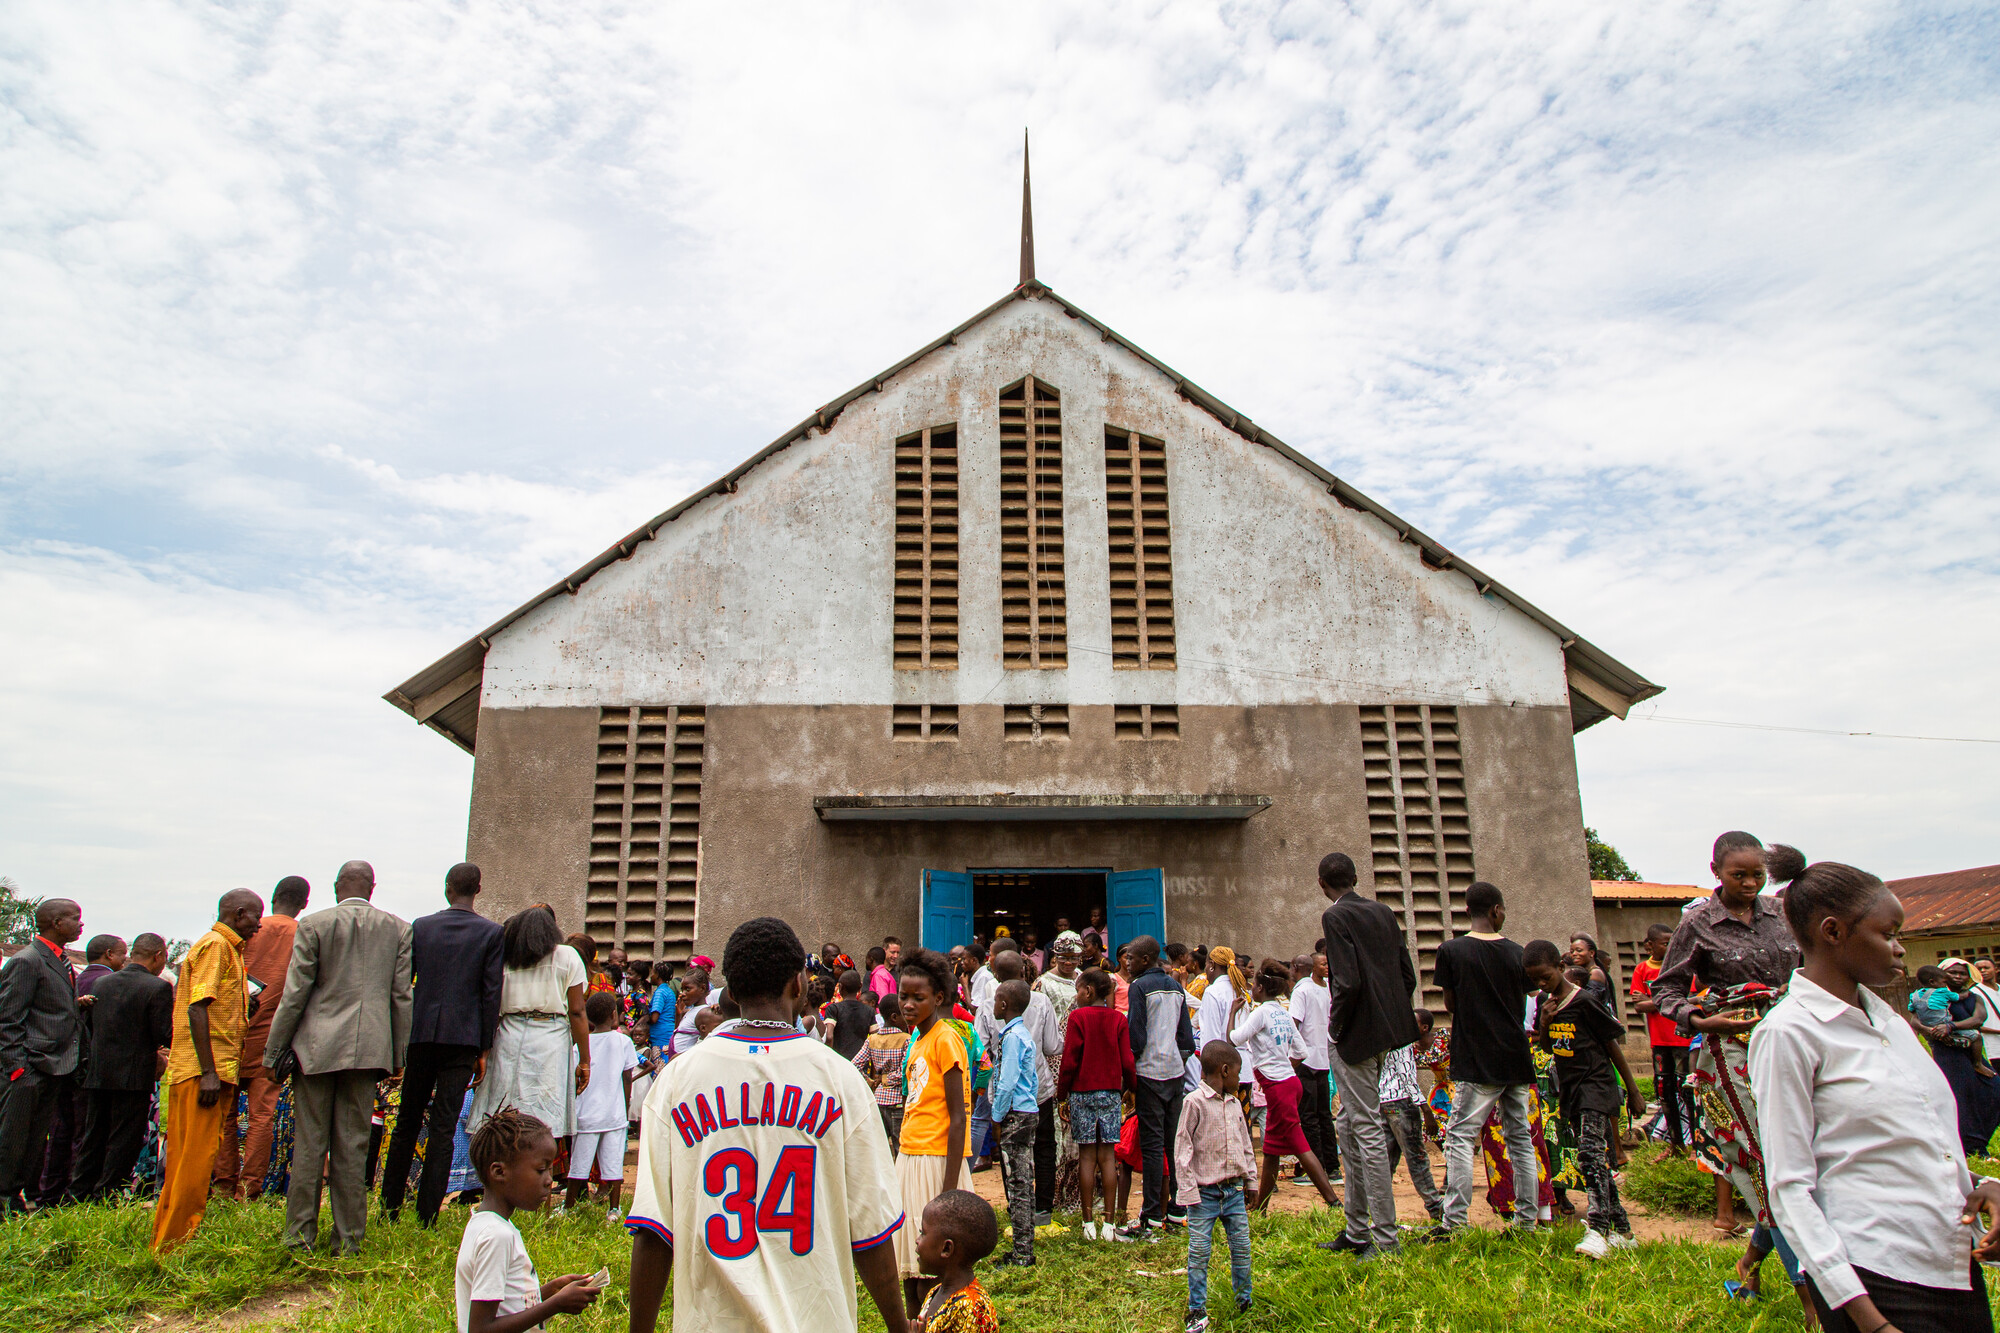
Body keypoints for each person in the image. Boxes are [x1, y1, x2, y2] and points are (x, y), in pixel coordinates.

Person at [624, 916, 909, 1333]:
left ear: (730, 992)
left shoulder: (676, 1081)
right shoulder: (840, 1079)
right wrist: (899, 1328)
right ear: (798, 983)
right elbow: (871, 1231)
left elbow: (652, 1232)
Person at [1751, 860, 2000, 1333]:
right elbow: (1789, 1189)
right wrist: (1867, 1319)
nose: (1901, 948)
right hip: (1876, 1280)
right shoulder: (1789, 1033)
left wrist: (1980, 1185)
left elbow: (1900, 1142)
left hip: (1949, 1265)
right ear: (1833, 931)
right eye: (1889, 934)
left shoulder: (1888, 1022)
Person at [1653, 833, 1803, 1241]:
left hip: (1793, 1042)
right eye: (1740, 875)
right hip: (1736, 1048)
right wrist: (1700, 1022)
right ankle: (1794, 1254)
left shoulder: (1784, 913)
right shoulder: (1697, 923)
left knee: (1800, 1139)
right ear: (1716, 871)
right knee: (1755, 1146)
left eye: (1758, 875)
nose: (1751, 884)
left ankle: (1755, 1258)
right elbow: (1666, 990)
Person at [262, 860, 414, 1256]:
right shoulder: (397, 928)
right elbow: (401, 996)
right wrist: (399, 1054)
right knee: (353, 1145)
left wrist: (275, 1051)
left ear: (335, 887)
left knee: (309, 1145)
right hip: (368, 1051)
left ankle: (298, 1237)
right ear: (372, 887)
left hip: (316, 1048)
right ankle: (349, 1240)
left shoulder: (314, 925)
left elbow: (296, 994)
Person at [384, 862, 507, 1225]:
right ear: (478, 890)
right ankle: (427, 1215)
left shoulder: (422, 926)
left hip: (421, 1034)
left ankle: (389, 1207)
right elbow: (490, 993)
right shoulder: (491, 932)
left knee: (406, 1120)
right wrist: (484, 1047)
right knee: (443, 1126)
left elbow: (404, 983)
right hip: (463, 1039)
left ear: (446, 888)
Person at [1318, 852, 1419, 1259]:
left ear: (1323, 884)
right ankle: (1356, 1229)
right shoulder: (1383, 913)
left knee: (1366, 1129)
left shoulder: (1336, 917)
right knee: (1347, 1124)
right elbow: (1406, 976)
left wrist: (1337, 1028)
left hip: (1354, 1037)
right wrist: (1388, 1020)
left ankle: (1385, 1238)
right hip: (1385, 1035)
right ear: (1356, 878)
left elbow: (1347, 982)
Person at [151, 890, 262, 1251]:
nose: (258, 924)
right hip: (203, 1072)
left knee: (193, 1161)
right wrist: (209, 1072)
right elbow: (197, 1008)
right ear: (239, 913)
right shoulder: (217, 946)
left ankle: (170, 1237)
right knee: (193, 1164)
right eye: (254, 917)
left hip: (210, 1069)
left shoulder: (227, 950)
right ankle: (174, 1245)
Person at [1426, 879, 1537, 1241]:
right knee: (1520, 1138)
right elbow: (1524, 1000)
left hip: (1476, 1056)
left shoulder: (1451, 951)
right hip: (1516, 1056)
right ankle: (1526, 1222)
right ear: (1496, 910)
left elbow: (1451, 1005)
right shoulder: (1518, 953)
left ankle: (1454, 1221)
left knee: (1460, 1136)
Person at [1525, 940, 1645, 1257]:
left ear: (1561, 968)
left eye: (1545, 977)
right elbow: (1549, 1049)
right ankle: (1623, 1231)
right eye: (1535, 980)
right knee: (1594, 1159)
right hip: (1570, 1089)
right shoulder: (1546, 1005)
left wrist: (1632, 1090)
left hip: (1596, 1085)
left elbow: (1612, 1045)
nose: (1541, 984)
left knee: (1591, 1157)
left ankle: (1598, 1230)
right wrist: (1546, 1023)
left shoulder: (1585, 1002)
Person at [454, 1107, 601, 1333]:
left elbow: (505, 1306)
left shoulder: (484, 1224)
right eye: (541, 1170)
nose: (548, 1181)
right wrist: (555, 1305)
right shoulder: (497, 1236)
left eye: (550, 1171)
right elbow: (480, 1329)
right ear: (499, 1172)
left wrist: (548, 1292)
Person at [213, 874, 308, 1203]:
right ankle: (250, 1188)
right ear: (304, 904)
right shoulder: (303, 934)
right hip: (274, 1039)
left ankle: (223, 1184)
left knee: (224, 1114)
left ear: (271, 899)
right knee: (262, 1115)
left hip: (233, 1033)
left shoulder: (248, 929)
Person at [467, 906, 590, 1147]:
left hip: (508, 1034)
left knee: (503, 1110)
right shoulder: (568, 956)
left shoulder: (505, 958)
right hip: (550, 1037)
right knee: (543, 1114)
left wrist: (483, 1052)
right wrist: (584, 1061)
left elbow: (490, 1005)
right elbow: (577, 1011)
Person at [893, 948, 971, 1318]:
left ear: (938, 998)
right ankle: (913, 1324)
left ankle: (931, 1323)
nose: (907, 1004)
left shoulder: (946, 1039)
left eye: (917, 998)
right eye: (903, 996)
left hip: (936, 1159)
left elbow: (958, 1117)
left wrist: (949, 1191)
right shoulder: (917, 1040)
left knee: (932, 1268)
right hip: (909, 1153)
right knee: (909, 1260)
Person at [1228, 957, 1341, 1211]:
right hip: (1290, 1083)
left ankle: (1333, 1202)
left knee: (1300, 1146)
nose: (1252, 989)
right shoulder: (1283, 1012)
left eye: (1254, 985)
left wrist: (1233, 1013)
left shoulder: (1261, 1013)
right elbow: (1300, 1051)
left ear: (1261, 988)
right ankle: (1260, 1207)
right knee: (1271, 1150)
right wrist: (1285, 1068)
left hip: (1278, 1088)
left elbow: (1233, 1039)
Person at [0, 898, 88, 1216]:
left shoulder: (59, 961)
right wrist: (16, 1069)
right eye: (75, 918)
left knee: (35, 1139)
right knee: (13, 1136)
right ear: (54, 921)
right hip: (29, 1067)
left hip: (53, 1065)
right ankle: (5, 1197)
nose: (81, 925)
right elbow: (8, 1019)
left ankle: (17, 1197)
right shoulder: (27, 961)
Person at [71, 932, 173, 1200]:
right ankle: (106, 1193)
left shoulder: (102, 984)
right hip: (134, 1073)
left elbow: (91, 1026)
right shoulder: (157, 987)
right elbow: (163, 1034)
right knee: (124, 1138)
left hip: (100, 1070)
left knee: (94, 1135)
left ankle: (79, 1191)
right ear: (158, 956)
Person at [1176, 1042, 1257, 1333]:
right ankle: (1197, 1308)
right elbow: (1182, 1149)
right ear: (1224, 1071)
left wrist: (1251, 1180)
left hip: (1234, 1191)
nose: (1239, 1080)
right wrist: (1187, 1191)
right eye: (1237, 1073)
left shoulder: (1235, 1105)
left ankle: (1244, 1301)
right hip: (1204, 1195)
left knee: (1242, 1248)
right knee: (1199, 1252)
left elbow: (1245, 1145)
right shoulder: (1193, 1103)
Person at [1122, 935, 1196, 1237]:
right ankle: (1178, 1211)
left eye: (1131, 958)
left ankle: (1151, 1216)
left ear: (1145, 959)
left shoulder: (1139, 987)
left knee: (1152, 1147)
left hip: (1150, 1073)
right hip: (1175, 1073)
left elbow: (1136, 1037)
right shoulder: (1177, 987)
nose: (1127, 963)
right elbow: (1186, 1038)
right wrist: (1174, 1060)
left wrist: (1133, 1073)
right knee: (1174, 1143)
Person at [1058, 966, 1134, 1240]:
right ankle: (1110, 1225)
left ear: (1088, 991)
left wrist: (1062, 1094)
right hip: (1111, 1094)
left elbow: (1069, 1061)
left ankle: (1088, 1223)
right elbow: (1127, 1061)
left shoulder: (1077, 1018)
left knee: (1087, 1157)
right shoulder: (1118, 1020)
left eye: (1078, 989)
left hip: (1081, 1093)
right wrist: (1131, 1090)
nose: (1076, 995)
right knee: (1108, 1156)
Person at [565, 991, 638, 1216]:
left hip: (586, 1114)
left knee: (579, 1165)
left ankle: (568, 1207)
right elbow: (627, 1078)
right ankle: (614, 1209)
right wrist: (625, 1107)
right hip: (614, 1114)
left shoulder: (580, 1046)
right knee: (613, 1165)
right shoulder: (623, 1042)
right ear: (614, 1015)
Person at [986, 979, 1039, 1266]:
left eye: (995, 1000)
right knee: (1022, 1180)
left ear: (1004, 1004)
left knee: (1017, 1184)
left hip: (1014, 1115)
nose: (992, 1004)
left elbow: (1006, 1084)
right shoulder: (1020, 1033)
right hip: (1026, 1111)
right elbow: (1031, 1082)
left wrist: (997, 1117)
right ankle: (1024, 1245)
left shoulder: (1013, 1037)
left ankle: (1022, 1252)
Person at [1628, 922, 1692, 1151]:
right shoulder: (1642, 970)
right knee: (1665, 1093)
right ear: (1649, 946)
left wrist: (1652, 1001)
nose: (1672, 947)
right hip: (1660, 1042)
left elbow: (1691, 999)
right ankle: (1674, 1143)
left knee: (1689, 1092)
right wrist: (1668, 1001)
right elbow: (1638, 1007)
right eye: (1666, 943)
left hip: (1684, 1039)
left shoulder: (1682, 969)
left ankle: (1693, 1144)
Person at [1927, 959, 2000, 1155]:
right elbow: (1916, 1021)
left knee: (1995, 1089)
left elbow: (1978, 1019)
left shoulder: (1973, 997)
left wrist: (1951, 1027)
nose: (1958, 976)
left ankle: (1979, 1138)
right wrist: (1934, 1032)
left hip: (1971, 1050)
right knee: (1963, 1098)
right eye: (1953, 973)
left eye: (1963, 973)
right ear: (1942, 975)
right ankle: (1971, 1147)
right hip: (1949, 1053)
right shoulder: (1931, 996)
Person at [910, 1190, 1000, 1333]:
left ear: (946, 1248)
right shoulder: (935, 1292)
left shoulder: (973, 1309)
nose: (917, 1240)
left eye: (923, 1233)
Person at [1286, 951, 1338, 1184]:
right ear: (1313, 967)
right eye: (1323, 963)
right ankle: (1332, 1167)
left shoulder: (1302, 990)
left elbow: (1294, 1024)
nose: (1326, 967)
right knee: (1323, 1115)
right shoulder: (1325, 989)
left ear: (1296, 967)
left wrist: (1292, 1057)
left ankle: (1315, 1169)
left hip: (1306, 1060)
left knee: (1309, 1116)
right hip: (1322, 1058)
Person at [857, 991, 911, 1153]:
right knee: (900, 1148)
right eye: (904, 1015)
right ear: (895, 1017)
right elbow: (905, 1070)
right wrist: (887, 1078)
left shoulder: (872, 1039)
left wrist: (870, 1082)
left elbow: (854, 1065)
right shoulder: (906, 1039)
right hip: (898, 1102)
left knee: (880, 1150)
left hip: (878, 1100)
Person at [825, 970, 877, 1062]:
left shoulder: (833, 1009)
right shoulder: (869, 1011)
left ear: (840, 987)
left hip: (840, 1063)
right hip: (860, 1065)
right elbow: (875, 1042)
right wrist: (873, 1073)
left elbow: (829, 1037)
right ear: (860, 986)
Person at [1567, 932, 1619, 1020]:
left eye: (1579, 950)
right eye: (1572, 952)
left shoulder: (1595, 973)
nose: (1574, 954)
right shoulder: (1586, 972)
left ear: (1591, 953)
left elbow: (1589, 1003)